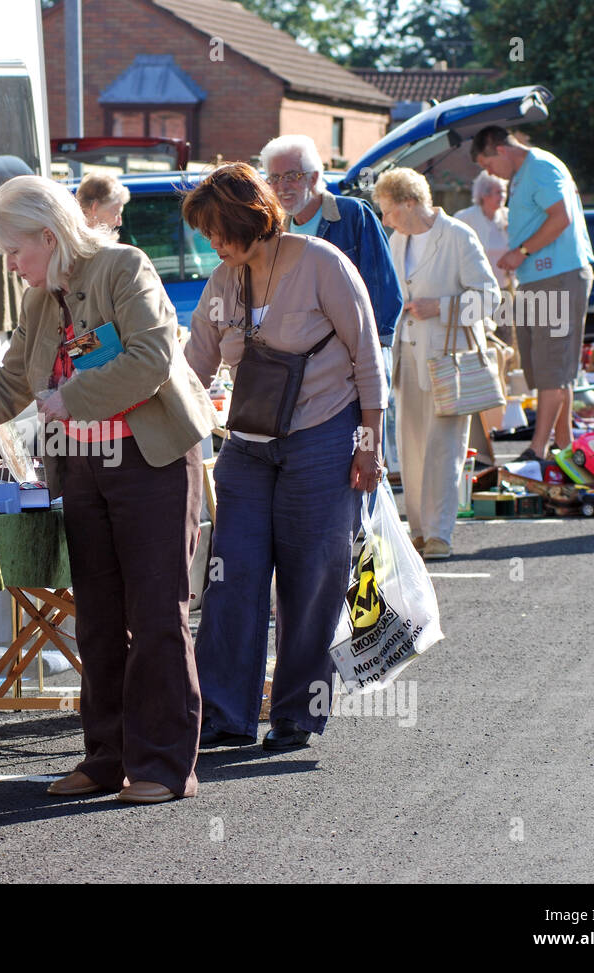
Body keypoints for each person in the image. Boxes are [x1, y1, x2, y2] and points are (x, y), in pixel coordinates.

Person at [0, 175, 214, 804]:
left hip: (150, 463)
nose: (12, 268)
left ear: (49, 236)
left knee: (156, 614)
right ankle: (105, 758)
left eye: (16, 253)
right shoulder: (41, 300)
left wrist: (68, 397)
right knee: (97, 619)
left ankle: (162, 766)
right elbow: (11, 383)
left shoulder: (125, 267)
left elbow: (153, 360)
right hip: (81, 468)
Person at [182, 162, 386, 752]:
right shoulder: (224, 281)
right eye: (208, 235)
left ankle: (297, 714)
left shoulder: (323, 264)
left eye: (220, 231)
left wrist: (368, 448)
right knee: (232, 576)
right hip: (246, 446)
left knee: (313, 580)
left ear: (251, 216)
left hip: (324, 438)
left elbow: (369, 364)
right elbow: (194, 367)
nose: (215, 245)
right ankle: (224, 714)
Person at [374, 168, 500, 561]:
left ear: (410, 203)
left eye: (389, 210)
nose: (385, 219)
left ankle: (440, 534)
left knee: (445, 447)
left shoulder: (458, 235)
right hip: (407, 357)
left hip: (450, 359)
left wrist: (440, 308)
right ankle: (418, 531)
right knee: (410, 448)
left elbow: (491, 299)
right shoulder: (397, 239)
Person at [471, 126, 594, 463]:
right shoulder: (526, 172)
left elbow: (561, 219)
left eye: (488, 165)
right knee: (548, 366)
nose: (489, 173)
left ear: (500, 149)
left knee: (552, 365)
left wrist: (521, 252)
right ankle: (564, 445)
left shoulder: (539, 167)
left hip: (557, 275)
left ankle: (536, 449)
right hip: (541, 277)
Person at [260, 135, 402, 345]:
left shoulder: (353, 215)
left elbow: (382, 287)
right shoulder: (278, 233)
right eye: (274, 178)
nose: (282, 186)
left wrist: (374, 349)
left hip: (357, 348)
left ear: (314, 178)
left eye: (292, 176)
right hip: (310, 358)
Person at [454, 170, 513, 290]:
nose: (503, 196)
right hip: (475, 288)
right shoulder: (464, 218)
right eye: (498, 192)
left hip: (505, 287)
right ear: (484, 194)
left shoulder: (509, 216)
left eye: (504, 191)